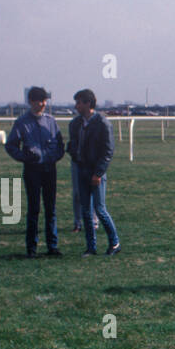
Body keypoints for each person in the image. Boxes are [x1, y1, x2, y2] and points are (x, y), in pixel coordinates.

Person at [6, 86, 65, 257]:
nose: (43, 104)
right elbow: (11, 146)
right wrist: (24, 157)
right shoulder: (22, 122)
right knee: (34, 209)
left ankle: (52, 246)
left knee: (51, 209)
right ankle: (31, 247)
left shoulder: (51, 121)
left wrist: (55, 157)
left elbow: (60, 145)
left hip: (49, 170)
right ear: (31, 101)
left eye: (45, 100)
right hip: (32, 171)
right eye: (39, 100)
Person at [67, 88, 120, 256]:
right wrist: (73, 152)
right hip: (81, 169)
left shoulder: (102, 123)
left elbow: (108, 151)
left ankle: (114, 243)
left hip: (96, 172)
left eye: (79, 102)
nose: (76, 106)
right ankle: (91, 247)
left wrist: (98, 173)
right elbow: (73, 144)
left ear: (88, 103)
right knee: (86, 212)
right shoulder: (75, 124)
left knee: (100, 209)